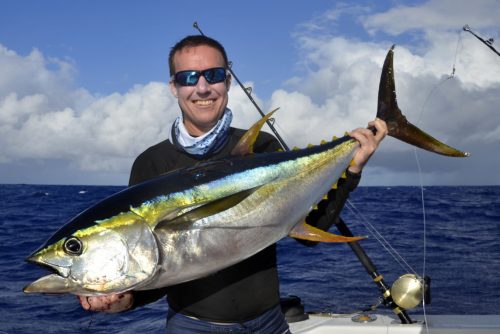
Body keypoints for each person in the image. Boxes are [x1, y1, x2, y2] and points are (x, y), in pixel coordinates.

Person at [78, 35, 388, 333]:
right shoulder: (151, 164)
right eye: (188, 78)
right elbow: (159, 269)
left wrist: (352, 170)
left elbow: (307, 234)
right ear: (173, 87)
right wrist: (125, 299)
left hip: (269, 323)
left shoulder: (263, 148)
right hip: (191, 327)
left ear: (227, 81)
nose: (202, 88)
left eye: (213, 75)